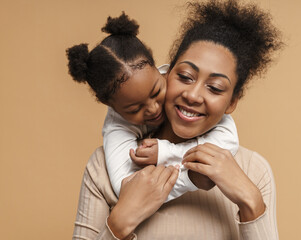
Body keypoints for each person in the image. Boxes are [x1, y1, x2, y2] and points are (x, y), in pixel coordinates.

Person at [72, 0, 283, 239]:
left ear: (232, 102)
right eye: (185, 76)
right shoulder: (103, 167)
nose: (193, 95)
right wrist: (120, 223)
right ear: (166, 73)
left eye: (214, 88)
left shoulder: (254, 170)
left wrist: (252, 202)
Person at [66, 12, 239, 202]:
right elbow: (127, 189)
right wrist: (190, 178)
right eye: (134, 109)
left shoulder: (178, 80)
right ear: (113, 107)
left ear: (161, 71)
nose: (153, 109)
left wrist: (165, 153)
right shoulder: (117, 125)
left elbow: (228, 141)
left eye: (156, 92)